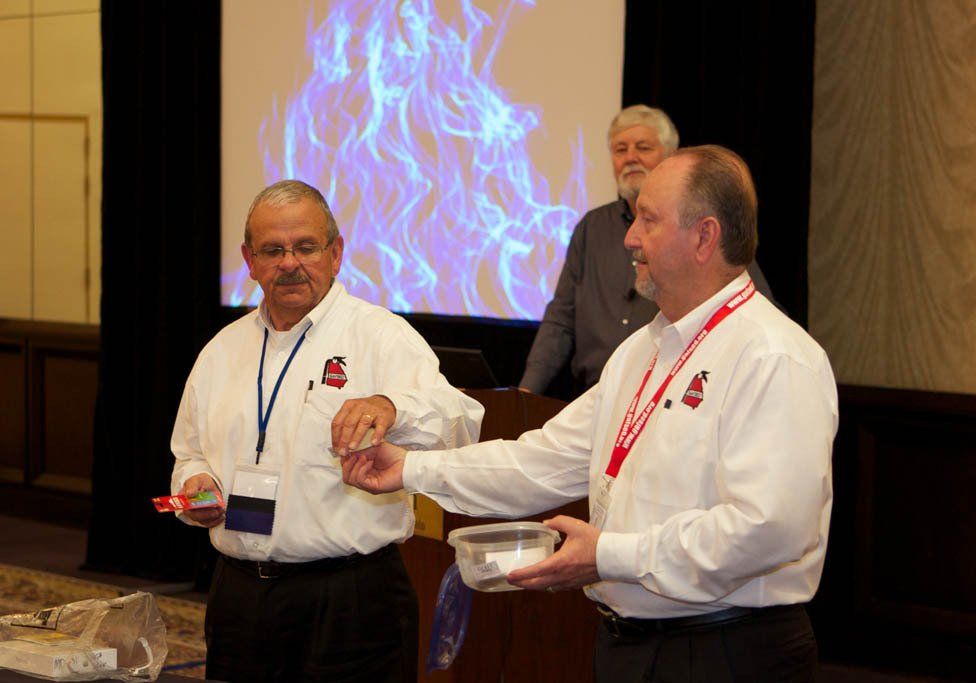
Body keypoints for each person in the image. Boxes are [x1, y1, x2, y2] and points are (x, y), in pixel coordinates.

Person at [343, 146, 837, 682]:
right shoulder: (642, 351)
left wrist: (611, 556)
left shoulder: (774, 356)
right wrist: (409, 469)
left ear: (704, 237)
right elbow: (540, 462)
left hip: (729, 653)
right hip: (627, 647)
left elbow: (769, 529)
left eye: (648, 220)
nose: (628, 237)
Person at [169, 180, 484, 682]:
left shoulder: (380, 335)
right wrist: (194, 485)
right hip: (239, 597)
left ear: (336, 253)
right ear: (249, 261)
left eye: (306, 247)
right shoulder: (220, 352)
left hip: (350, 599)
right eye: (273, 250)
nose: (289, 262)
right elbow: (189, 453)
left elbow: (460, 421)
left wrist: (391, 406)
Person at [520, 104, 776, 396]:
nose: (630, 158)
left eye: (643, 147)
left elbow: (751, 304)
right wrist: (526, 391)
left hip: (669, 397)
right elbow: (561, 318)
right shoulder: (591, 228)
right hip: (593, 396)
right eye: (620, 149)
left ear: (670, 157)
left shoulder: (698, 230)